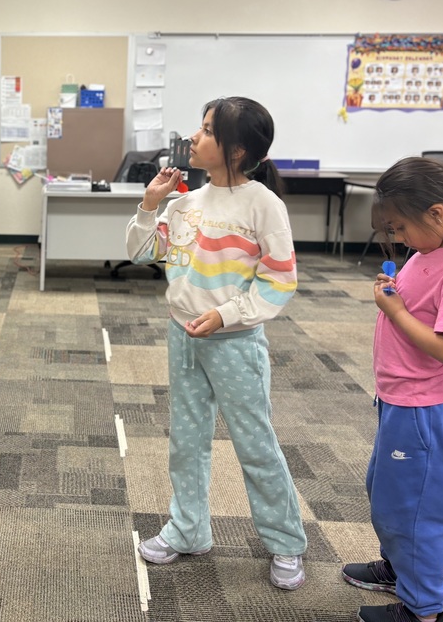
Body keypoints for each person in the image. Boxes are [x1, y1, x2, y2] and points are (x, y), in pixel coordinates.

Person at [126, 96, 307, 590]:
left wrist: (226, 315)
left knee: (254, 443)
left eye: (207, 130)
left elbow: (279, 280)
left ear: (236, 149)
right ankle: (187, 530)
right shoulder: (186, 202)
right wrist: (149, 205)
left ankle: (285, 543)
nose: (194, 137)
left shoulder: (263, 205)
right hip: (182, 335)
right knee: (186, 442)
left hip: (235, 342)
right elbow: (142, 255)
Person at [342, 156, 443, 622]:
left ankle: (424, 610)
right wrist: (397, 292)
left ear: (436, 214)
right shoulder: (435, 250)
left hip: (425, 407)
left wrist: (394, 312)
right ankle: (400, 569)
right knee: (390, 491)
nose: (398, 239)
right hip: (404, 399)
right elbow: (425, 306)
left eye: (401, 228)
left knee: (417, 511)